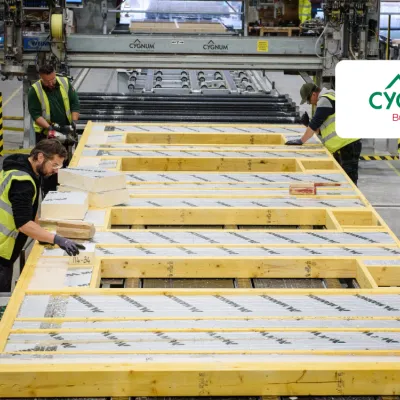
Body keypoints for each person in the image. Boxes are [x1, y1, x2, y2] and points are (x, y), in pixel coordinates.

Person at [0, 139, 84, 292]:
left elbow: (30, 212)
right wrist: (56, 239)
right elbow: (24, 223)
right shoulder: (22, 182)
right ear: (40, 157)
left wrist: (43, 236)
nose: (56, 170)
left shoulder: (23, 169)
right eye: (54, 165)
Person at [286, 83, 362, 186]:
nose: (309, 103)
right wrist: (308, 124)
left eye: (308, 100)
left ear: (313, 94)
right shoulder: (330, 97)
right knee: (344, 179)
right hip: (344, 145)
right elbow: (322, 130)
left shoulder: (325, 100)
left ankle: (353, 202)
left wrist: (301, 140)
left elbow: (315, 123)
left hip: (348, 144)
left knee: (349, 180)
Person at [28, 64, 80, 194]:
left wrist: (73, 122)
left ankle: (64, 192)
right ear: (41, 78)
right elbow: (36, 114)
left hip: (65, 130)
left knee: (63, 165)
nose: (51, 83)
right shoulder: (34, 90)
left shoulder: (64, 82)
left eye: (53, 79)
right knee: (47, 168)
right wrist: (50, 127)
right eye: (47, 81)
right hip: (46, 135)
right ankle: (49, 194)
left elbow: (75, 103)